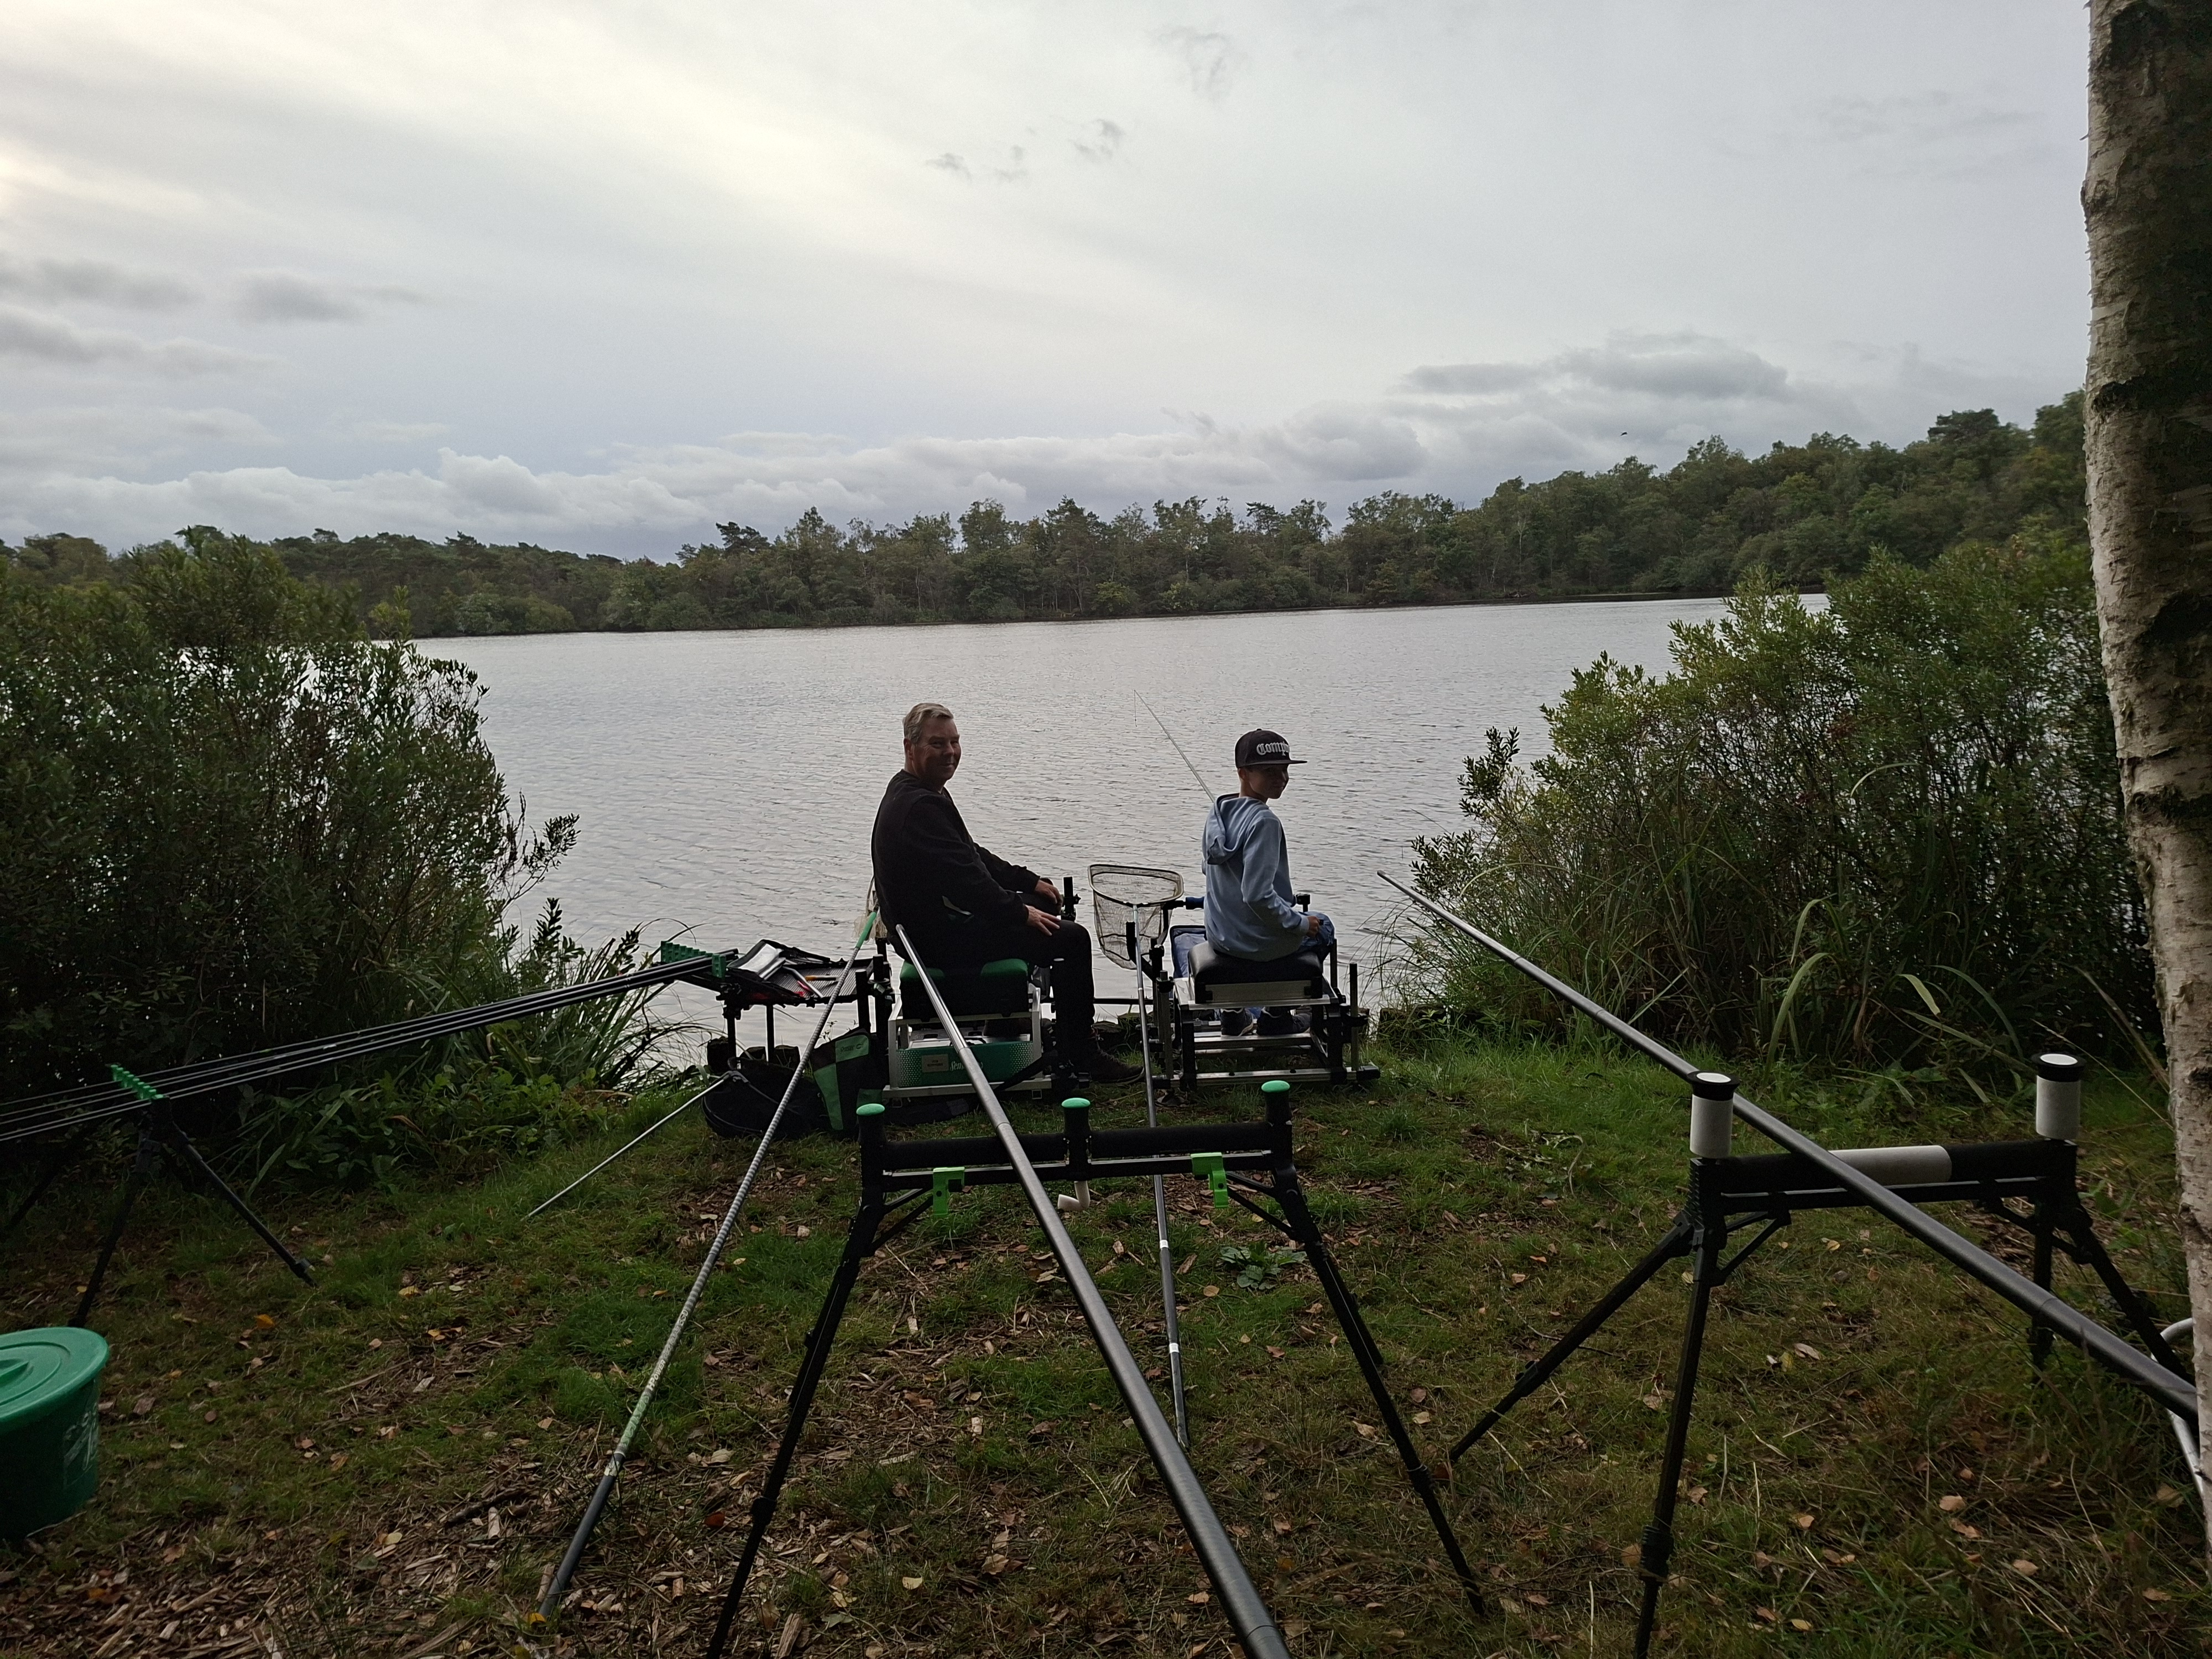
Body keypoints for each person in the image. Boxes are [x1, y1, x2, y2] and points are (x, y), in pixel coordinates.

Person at [870, 702, 1136, 1083]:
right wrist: (1019, 912)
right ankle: (1082, 1053)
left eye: (954, 742)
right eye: (937, 744)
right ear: (910, 748)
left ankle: (1045, 1033)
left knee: (1043, 903)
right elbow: (968, 883)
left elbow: (971, 855)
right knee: (1072, 940)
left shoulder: (920, 791)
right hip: (936, 941)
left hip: (937, 927)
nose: (950, 753)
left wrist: (1028, 883)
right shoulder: (919, 806)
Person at [1200, 728, 1334, 1035]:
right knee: (1323, 926)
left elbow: (1210, 873)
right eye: (1270, 771)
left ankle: (1234, 1014)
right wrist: (1301, 924)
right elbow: (1258, 896)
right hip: (1250, 945)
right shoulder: (1265, 822)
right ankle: (1277, 1016)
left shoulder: (1218, 814)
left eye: (1285, 769)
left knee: (1305, 921)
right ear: (1243, 773)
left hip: (1221, 939)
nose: (1282, 778)